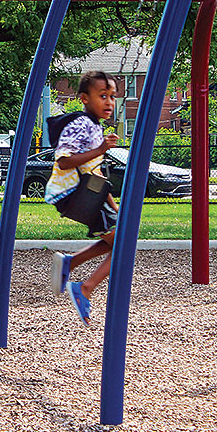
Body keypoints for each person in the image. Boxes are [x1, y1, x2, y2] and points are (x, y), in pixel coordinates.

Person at [46, 71, 121, 326]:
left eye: (112, 96)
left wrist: (114, 207)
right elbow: (64, 161)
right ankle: (84, 289)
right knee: (123, 246)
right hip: (74, 194)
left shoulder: (95, 127)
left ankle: (71, 262)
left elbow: (94, 172)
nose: (109, 102)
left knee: (117, 240)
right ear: (84, 98)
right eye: (102, 96)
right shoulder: (81, 124)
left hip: (88, 194)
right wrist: (100, 149)